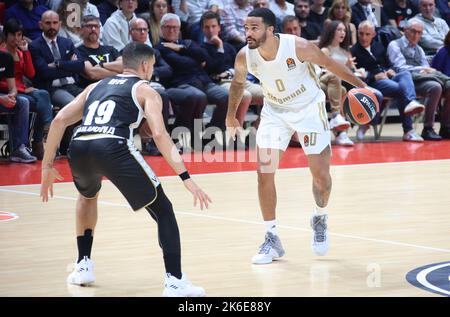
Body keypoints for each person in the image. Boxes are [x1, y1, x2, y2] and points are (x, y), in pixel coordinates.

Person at [40, 42, 211, 296]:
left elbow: (59, 120)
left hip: (80, 145)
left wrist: (46, 166)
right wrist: (185, 176)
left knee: (87, 197)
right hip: (113, 146)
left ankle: (83, 266)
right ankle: (175, 281)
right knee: (163, 210)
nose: (151, 71)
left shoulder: (94, 86)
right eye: (152, 66)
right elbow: (160, 134)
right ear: (144, 65)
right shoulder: (146, 90)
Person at [226, 8, 366, 264]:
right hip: (274, 113)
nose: (248, 33)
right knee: (264, 173)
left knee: (321, 176)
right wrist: (230, 115)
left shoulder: (299, 47)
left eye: (254, 27)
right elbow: (237, 84)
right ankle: (271, 237)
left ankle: (320, 216)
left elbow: (334, 66)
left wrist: (363, 87)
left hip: (309, 110)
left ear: (270, 29)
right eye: (246, 28)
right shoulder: (245, 55)